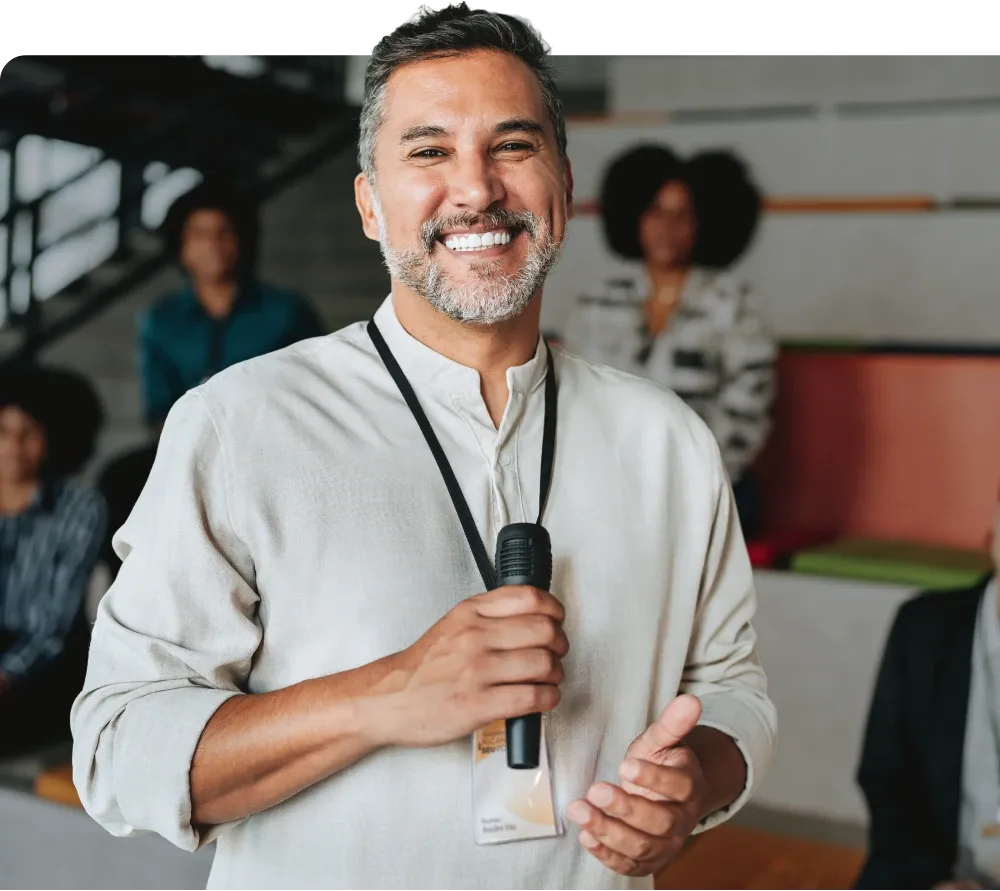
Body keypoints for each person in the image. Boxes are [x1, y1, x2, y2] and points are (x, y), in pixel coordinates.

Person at [71, 7, 777, 891]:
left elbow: (733, 686)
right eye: (429, 151)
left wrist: (698, 780)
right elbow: (115, 750)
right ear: (370, 203)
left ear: (563, 180)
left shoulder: (668, 440)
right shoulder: (239, 423)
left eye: (512, 146)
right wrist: (388, 693)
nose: (477, 190)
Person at [96, 183, 326, 577]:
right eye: (199, 235)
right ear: (181, 247)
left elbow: (315, 393)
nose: (213, 245)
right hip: (191, 446)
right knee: (119, 478)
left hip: (271, 447)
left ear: (242, 242)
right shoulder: (161, 320)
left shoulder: (286, 312)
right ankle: (140, 592)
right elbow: (158, 409)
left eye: (224, 232)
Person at [561, 145, 775, 539]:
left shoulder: (733, 303)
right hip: (612, 480)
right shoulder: (598, 299)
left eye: (684, 213)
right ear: (633, 217)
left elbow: (747, 410)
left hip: (710, 484)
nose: (668, 226)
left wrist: (690, 479)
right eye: (656, 211)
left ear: (706, 222)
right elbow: (573, 395)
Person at [855, 490, 1000, 891]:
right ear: (992, 532)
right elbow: (884, 774)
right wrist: (933, 882)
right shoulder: (923, 628)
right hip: (930, 875)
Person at [0, 364, 107, 757]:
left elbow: (52, 627)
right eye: (3, 431)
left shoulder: (80, 508)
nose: (14, 445)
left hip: (45, 667)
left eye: (29, 432)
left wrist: (5, 675)